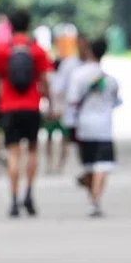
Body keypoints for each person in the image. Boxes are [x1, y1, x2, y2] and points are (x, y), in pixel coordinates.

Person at [0, 9, 54, 218]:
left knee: (13, 153)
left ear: (11, 26)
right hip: (32, 106)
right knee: (32, 151)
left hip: (8, 107)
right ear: (28, 25)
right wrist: (49, 102)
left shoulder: (2, 50)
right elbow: (44, 80)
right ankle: (29, 193)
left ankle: (14, 200)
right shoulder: (37, 50)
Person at [66, 37, 120, 218]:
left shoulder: (78, 75)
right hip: (104, 127)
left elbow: (72, 100)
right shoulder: (111, 80)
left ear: (89, 51)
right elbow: (116, 102)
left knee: (90, 166)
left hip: (84, 126)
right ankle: (95, 200)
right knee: (102, 166)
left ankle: (93, 199)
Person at [53, 34, 90, 175]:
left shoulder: (91, 64)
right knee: (66, 139)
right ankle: (59, 164)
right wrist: (57, 106)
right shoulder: (69, 64)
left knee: (84, 141)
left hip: (87, 111)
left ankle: (86, 167)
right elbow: (58, 87)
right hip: (71, 110)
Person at [43, 56, 68, 174]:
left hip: (51, 112)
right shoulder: (65, 79)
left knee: (49, 140)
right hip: (62, 113)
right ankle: (60, 165)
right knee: (64, 141)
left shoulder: (49, 78)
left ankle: (49, 164)